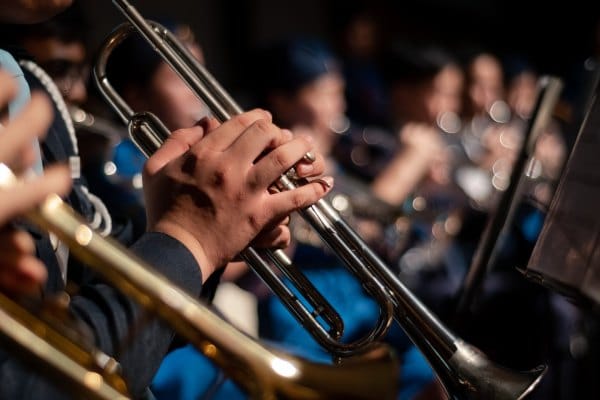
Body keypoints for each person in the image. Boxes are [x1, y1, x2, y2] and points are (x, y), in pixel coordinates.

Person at [0, 2, 331, 399]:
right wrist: (189, 238)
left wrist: (220, 221)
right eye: (181, 76)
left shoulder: (28, 79)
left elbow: (89, 277)